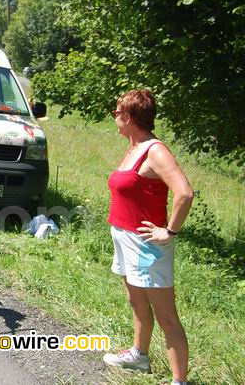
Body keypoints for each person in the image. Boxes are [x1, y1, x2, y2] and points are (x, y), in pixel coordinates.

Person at [102, 89, 193, 385]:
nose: (115, 118)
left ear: (128, 117)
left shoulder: (155, 150)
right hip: (125, 239)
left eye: (117, 113)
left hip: (147, 246)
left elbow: (185, 192)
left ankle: (179, 380)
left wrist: (170, 230)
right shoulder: (134, 147)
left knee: (167, 316)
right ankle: (139, 356)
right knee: (137, 303)